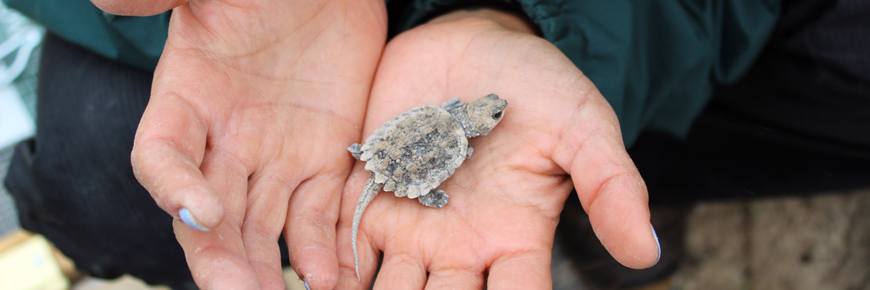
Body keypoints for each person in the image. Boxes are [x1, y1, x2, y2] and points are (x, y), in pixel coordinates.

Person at [4, 0, 867, 289]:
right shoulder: (459, 122)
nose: (488, 117)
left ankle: (599, 184)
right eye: (488, 115)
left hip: (385, 132)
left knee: (575, 127)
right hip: (276, 71)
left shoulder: (469, 117)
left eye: (487, 115)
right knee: (109, 174)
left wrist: (521, 21)